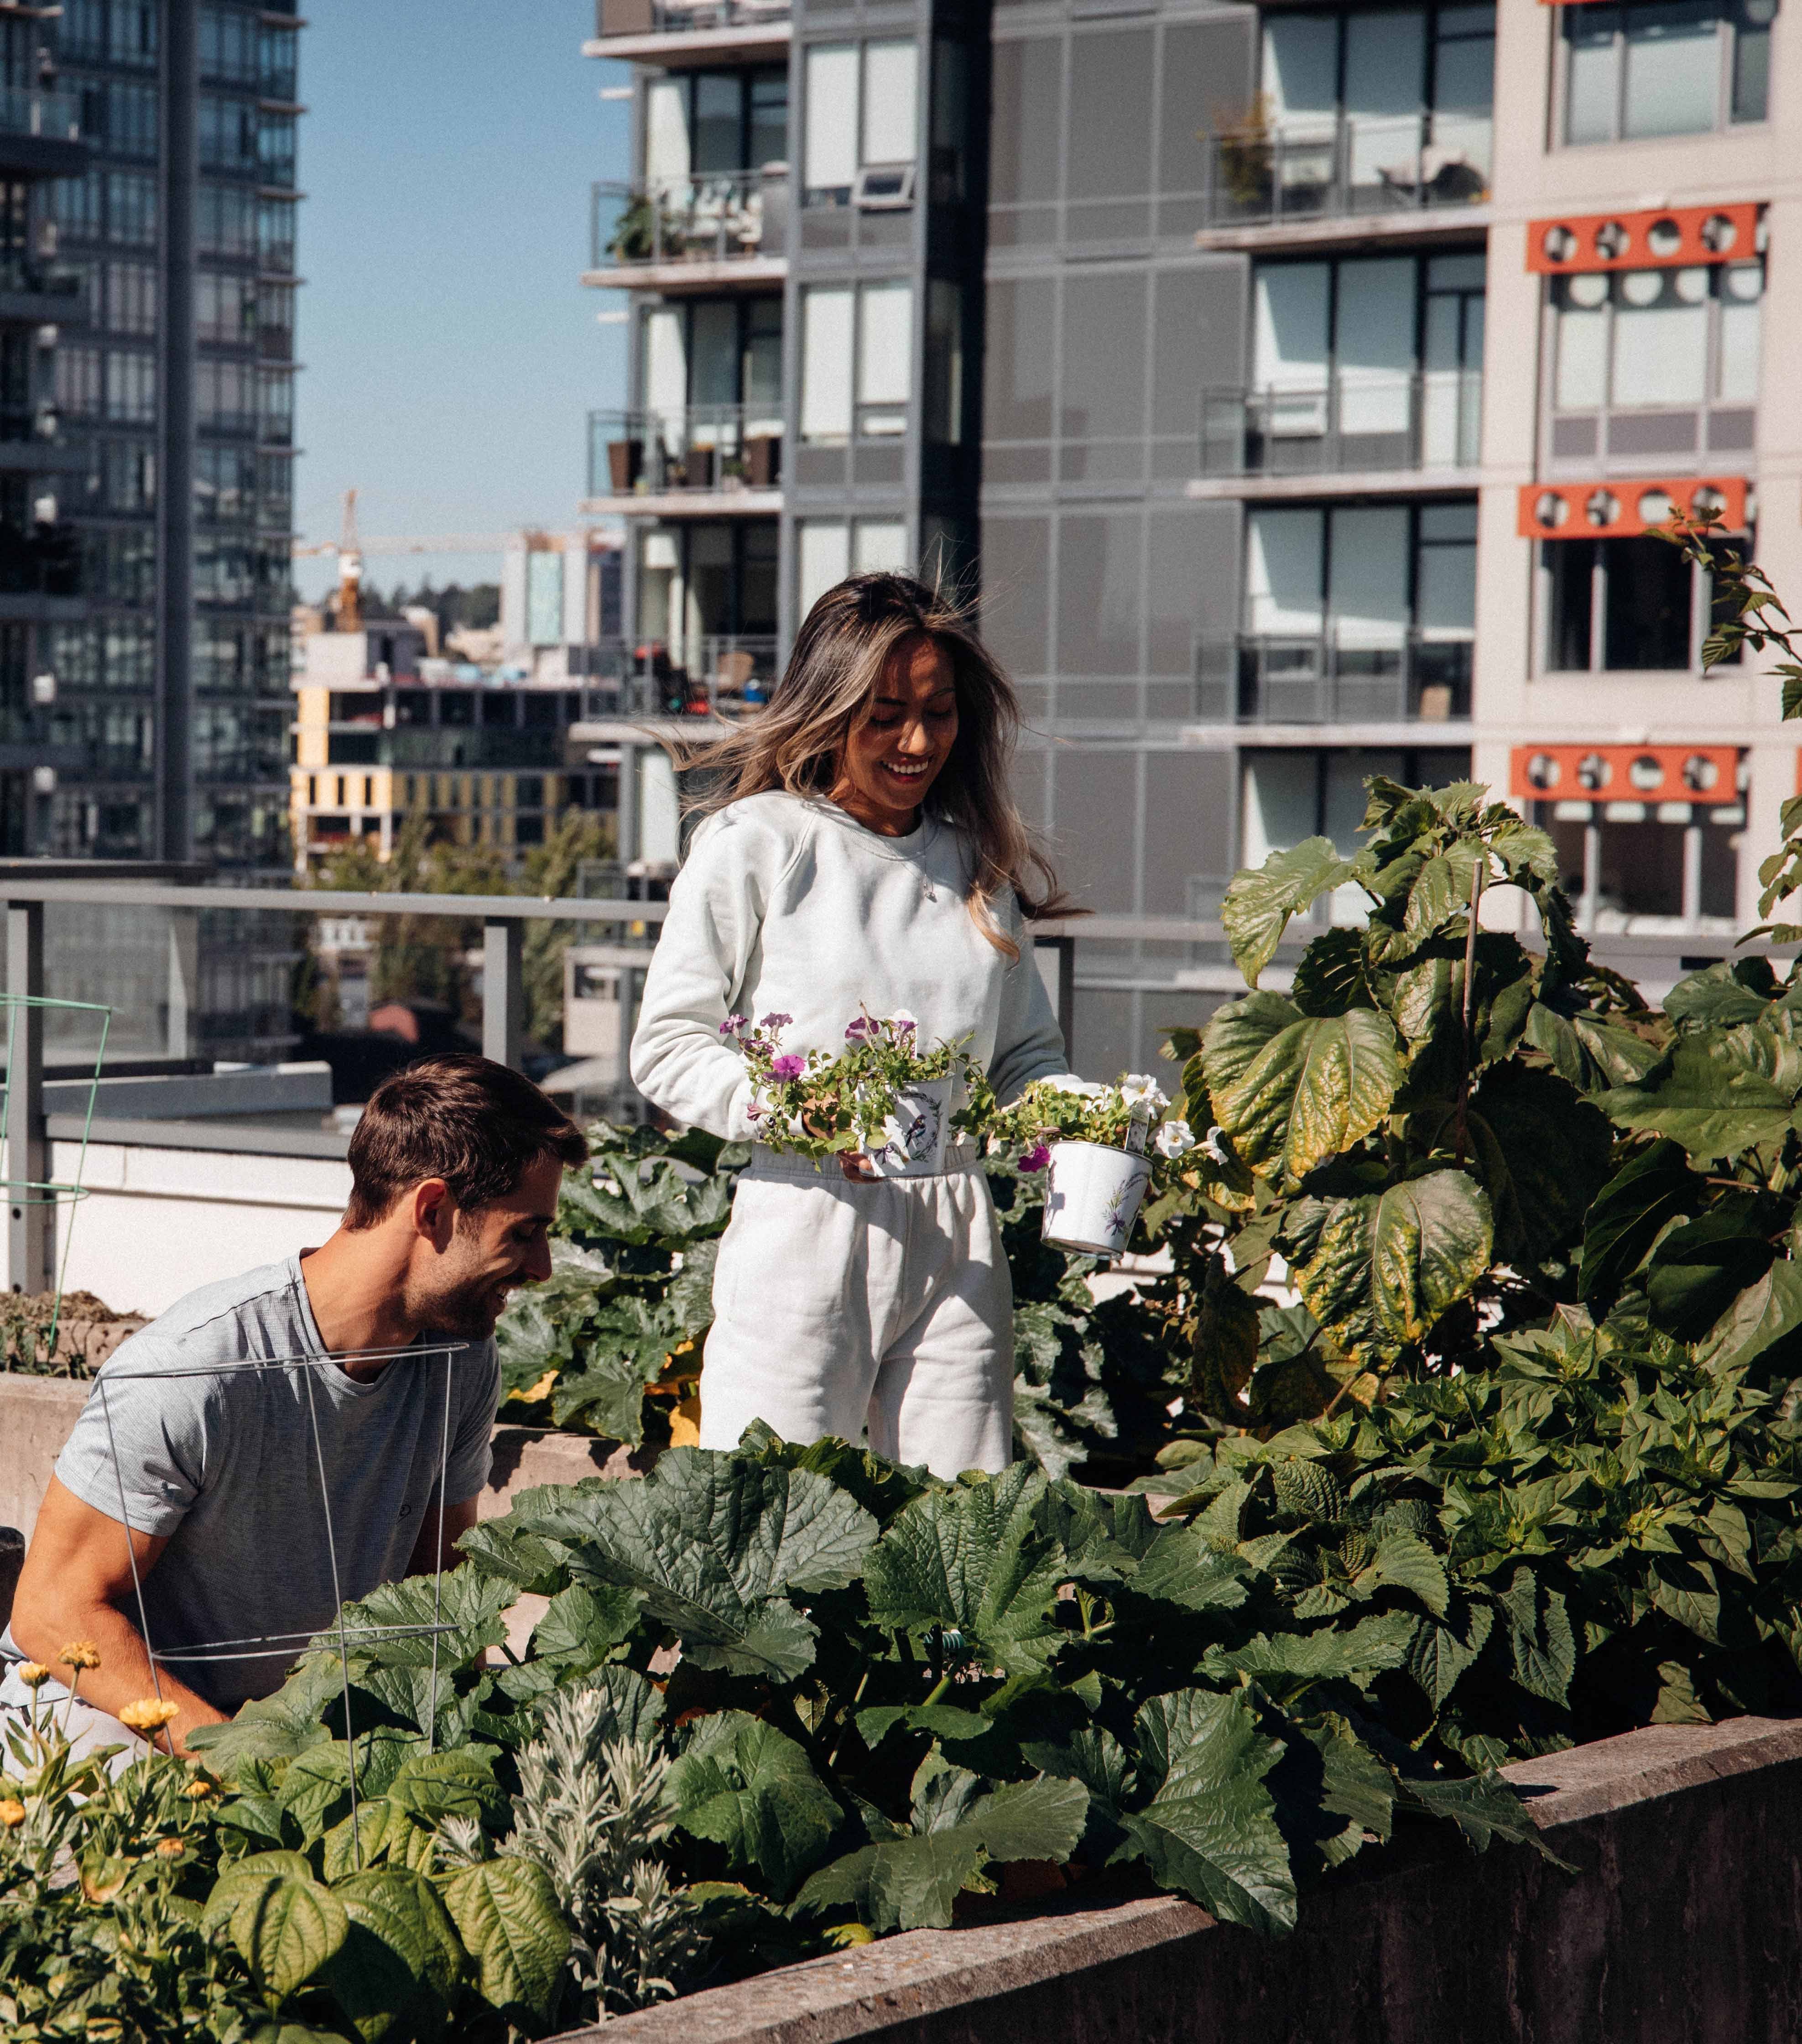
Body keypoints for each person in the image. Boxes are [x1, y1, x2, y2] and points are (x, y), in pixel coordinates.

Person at [1, 1054, 587, 1761]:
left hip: (303, 1731)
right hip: (116, 1712)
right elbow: (52, 1614)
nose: (542, 1267)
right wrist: (234, 1760)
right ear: (432, 1211)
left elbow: (440, 1598)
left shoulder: (460, 1360)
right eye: (523, 1232)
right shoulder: (194, 1369)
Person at [630, 571, 1081, 1478]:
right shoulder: (757, 842)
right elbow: (668, 1046)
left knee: (964, 1522)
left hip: (956, 1226)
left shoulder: (971, 862)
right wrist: (804, 1117)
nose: (917, 740)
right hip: (806, 1216)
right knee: (772, 1509)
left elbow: (1025, 1057)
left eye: (939, 711)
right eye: (883, 713)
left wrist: (1093, 1125)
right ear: (827, 710)